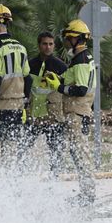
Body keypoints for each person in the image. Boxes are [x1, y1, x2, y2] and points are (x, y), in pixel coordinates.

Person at [43, 19, 96, 206]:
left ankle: (88, 195)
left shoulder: (81, 59)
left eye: (68, 38)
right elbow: (72, 79)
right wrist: (58, 79)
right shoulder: (79, 59)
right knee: (76, 151)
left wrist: (60, 88)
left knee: (81, 153)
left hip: (78, 112)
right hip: (75, 112)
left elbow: (81, 89)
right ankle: (86, 192)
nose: (65, 42)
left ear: (76, 39)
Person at [0, 4, 31, 156]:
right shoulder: (21, 47)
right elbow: (28, 79)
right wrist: (24, 105)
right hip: (17, 107)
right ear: (7, 24)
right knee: (11, 150)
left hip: (0, 107)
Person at [21, 31, 68, 180]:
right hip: (33, 115)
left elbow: (67, 91)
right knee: (22, 148)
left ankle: (54, 180)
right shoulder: (30, 65)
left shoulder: (61, 66)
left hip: (53, 116)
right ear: (39, 45)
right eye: (44, 44)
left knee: (56, 151)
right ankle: (19, 177)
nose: (48, 47)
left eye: (50, 44)